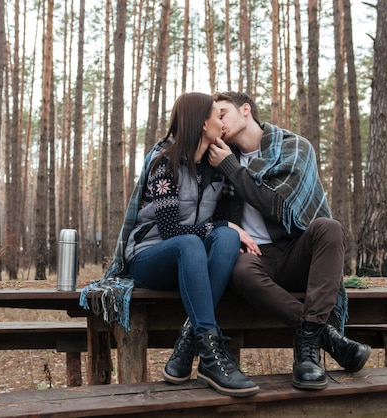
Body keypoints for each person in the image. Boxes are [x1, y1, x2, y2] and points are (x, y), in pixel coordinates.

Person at [206, 91, 371, 390]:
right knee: (238, 268)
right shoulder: (214, 157)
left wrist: (231, 167)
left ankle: (308, 343)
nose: (218, 123)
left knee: (329, 228)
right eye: (213, 118)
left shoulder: (293, 147)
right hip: (253, 258)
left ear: (245, 110)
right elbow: (202, 212)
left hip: (296, 253)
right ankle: (319, 340)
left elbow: (277, 205)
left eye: (222, 113)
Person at [108, 92, 259, 397]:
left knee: (228, 237)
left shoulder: (216, 167)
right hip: (149, 256)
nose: (222, 122)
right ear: (202, 123)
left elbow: (217, 225)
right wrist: (222, 224)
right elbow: (170, 231)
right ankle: (211, 351)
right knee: (192, 241)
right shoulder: (166, 163)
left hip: (189, 257)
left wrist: (226, 227)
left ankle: (190, 343)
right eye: (217, 116)